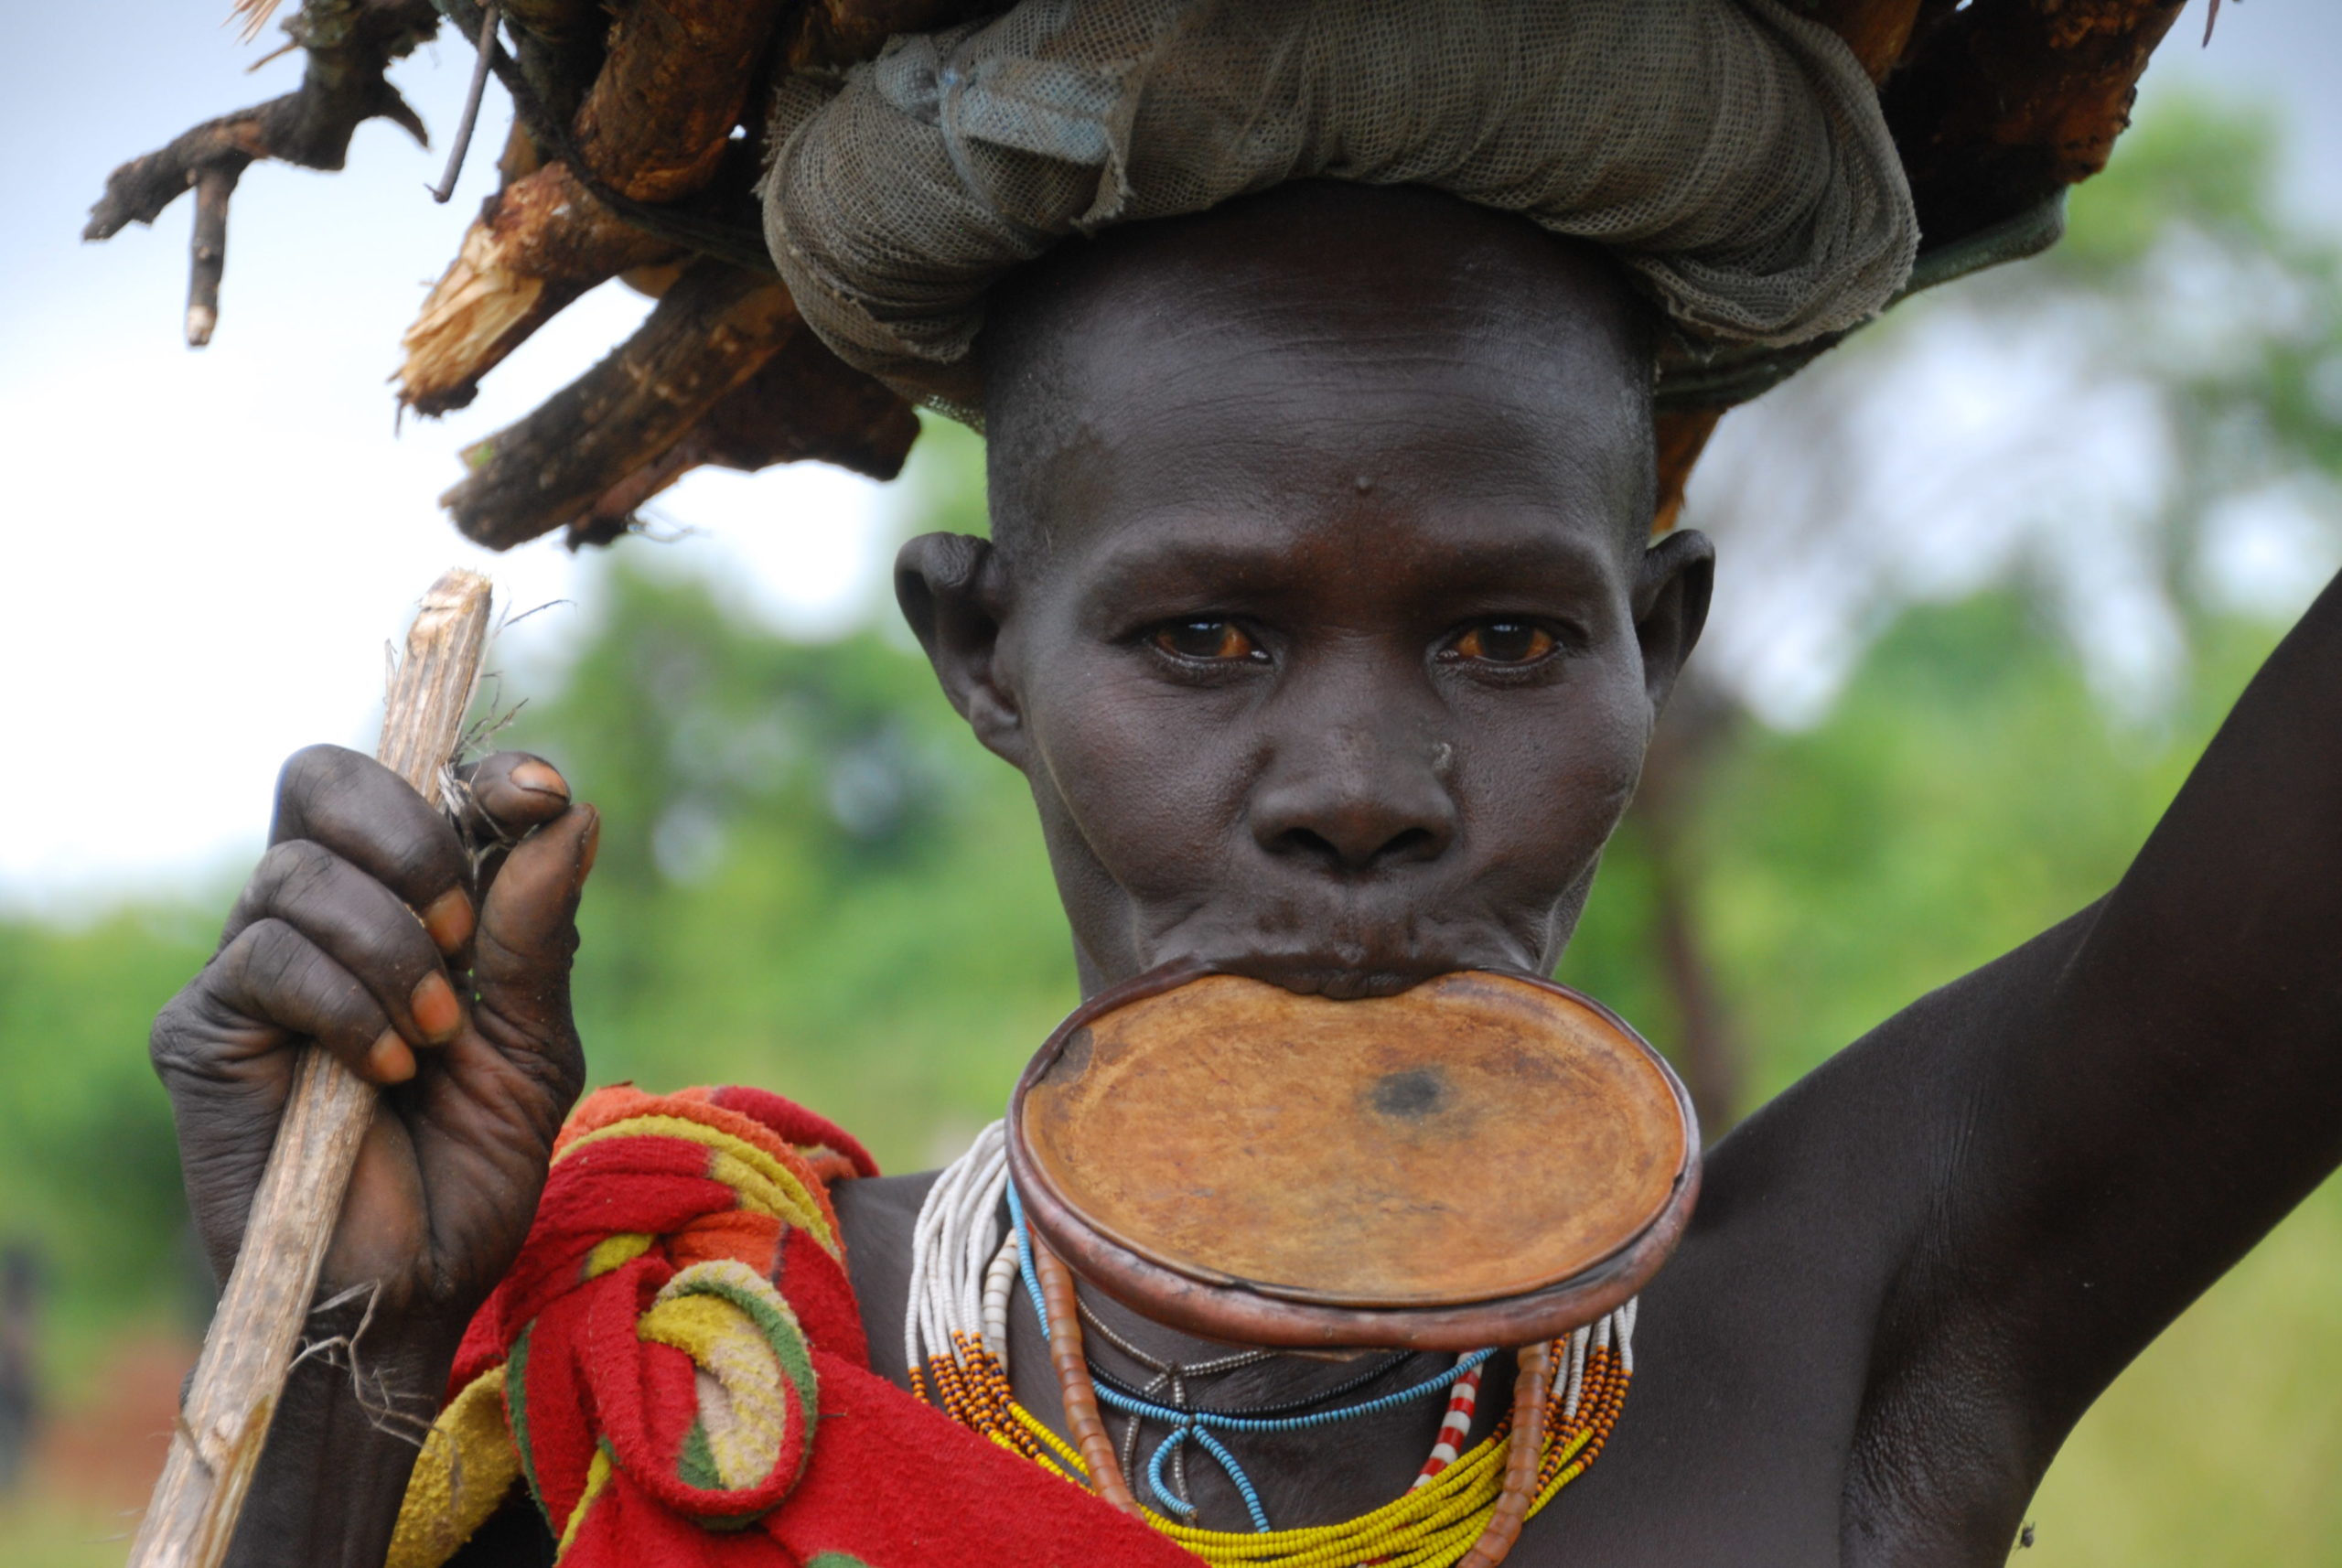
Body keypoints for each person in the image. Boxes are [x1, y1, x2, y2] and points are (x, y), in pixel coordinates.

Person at [145, 12, 2342, 1568]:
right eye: (1203, 638)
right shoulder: (704, 1373)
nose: (1362, 791)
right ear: (983, 655)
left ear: (1651, 653)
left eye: (1503, 636)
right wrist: (338, 1346)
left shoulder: (1837, 1343)